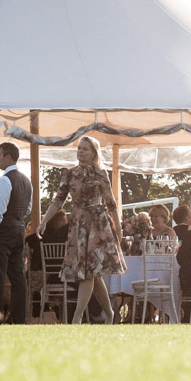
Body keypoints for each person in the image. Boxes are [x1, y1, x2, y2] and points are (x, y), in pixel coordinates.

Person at [39, 136, 127, 324]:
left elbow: (111, 203)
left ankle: (77, 317)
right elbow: (58, 200)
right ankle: (109, 313)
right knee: (92, 273)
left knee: (89, 272)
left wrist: (118, 227)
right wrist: (44, 221)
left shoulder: (100, 173)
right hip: (78, 225)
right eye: (79, 148)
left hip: (97, 226)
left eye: (85, 149)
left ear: (94, 153)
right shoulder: (69, 173)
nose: (80, 151)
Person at [0, 141, 32, 324]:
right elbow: (28, 209)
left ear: (8, 157)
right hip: (19, 230)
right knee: (18, 279)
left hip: (1, 233)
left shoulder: (5, 180)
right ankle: (19, 319)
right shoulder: (26, 180)